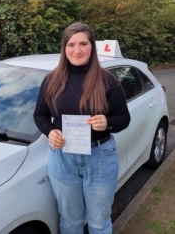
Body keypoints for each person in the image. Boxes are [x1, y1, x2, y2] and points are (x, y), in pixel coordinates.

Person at [33, 22, 131, 234]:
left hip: (100, 157)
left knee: (98, 222)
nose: (77, 50)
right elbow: (39, 115)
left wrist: (108, 123)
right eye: (71, 44)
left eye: (83, 44)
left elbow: (124, 118)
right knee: (70, 222)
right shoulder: (51, 80)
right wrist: (50, 131)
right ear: (64, 48)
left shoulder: (108, 81)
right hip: (62, 157)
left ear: (92, 47)